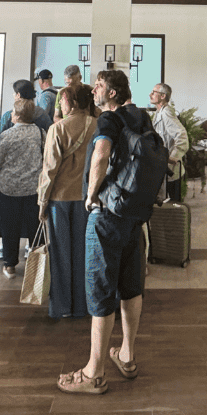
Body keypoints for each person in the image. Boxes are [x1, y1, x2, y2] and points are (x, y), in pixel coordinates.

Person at [57, 70, 157, 396]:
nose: (94, 89)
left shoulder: (109, 120)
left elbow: (100, 155)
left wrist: (90, 195)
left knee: (101, 289)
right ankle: (126, 356)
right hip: (134, 216)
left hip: (108, 215)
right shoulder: (142, 118)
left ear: (112, 92)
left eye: (99, 85)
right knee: (131, 286)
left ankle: (94, 373)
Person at [38, 82, 96, 319]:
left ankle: (62, 307)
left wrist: (42, 201)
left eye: (62, 99)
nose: (59, 103)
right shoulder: (97, 124)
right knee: (85, 251)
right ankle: (84, 304)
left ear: (71, 102)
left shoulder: (58, 129)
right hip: (87, 197)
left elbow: (49, 168)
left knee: (60, 253)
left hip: (60, 198)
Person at [0, 99, 43, 279]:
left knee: (10, 227)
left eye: (12, 113)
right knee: (35, 227)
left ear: (17, 116)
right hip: (34, 189)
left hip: (9, 189)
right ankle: (37, 266)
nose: (10, 116)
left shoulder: (6, 135)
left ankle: (10, 265)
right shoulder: (41, 133)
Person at [149, 83, 189, 203]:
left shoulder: (166, 113)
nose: (150, 94)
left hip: (171, 169)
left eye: (153, 92)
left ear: (162, 96)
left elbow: (182, 137)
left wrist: (173, 157)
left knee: (172, 205)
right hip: (164, 168)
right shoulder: (159, 112)